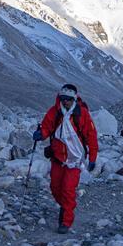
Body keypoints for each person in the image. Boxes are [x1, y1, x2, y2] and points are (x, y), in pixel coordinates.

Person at [33, 84, 98, 233]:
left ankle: (66, 221)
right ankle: (67, 206)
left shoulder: (82, 114)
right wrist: (41, 134)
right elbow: (46, 127)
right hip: (58, 157)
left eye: (68, 99)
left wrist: (93, 158)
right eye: (63, 99)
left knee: (68, 189)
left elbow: (91, 136)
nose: (65, 102)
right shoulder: (54, 112)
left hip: (75, 159)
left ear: (73, 99)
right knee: (55, 188)